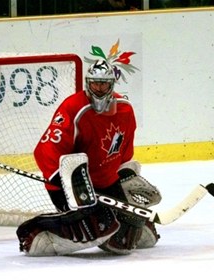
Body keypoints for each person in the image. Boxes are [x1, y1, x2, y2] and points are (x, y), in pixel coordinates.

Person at [16, 59, 162, 256]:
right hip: (73, 185)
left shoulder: (125, 110)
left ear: (112, 84)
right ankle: (38, 232)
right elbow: (46, 149)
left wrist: (125, 174)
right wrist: (64, 182)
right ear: (87, 83)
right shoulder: (73, 108)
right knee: (96, 226)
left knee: (123, 241)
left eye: (103, 84)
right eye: (95, 83)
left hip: (105, 182)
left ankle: (136, 223)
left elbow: (124, 152)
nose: (99, 88)